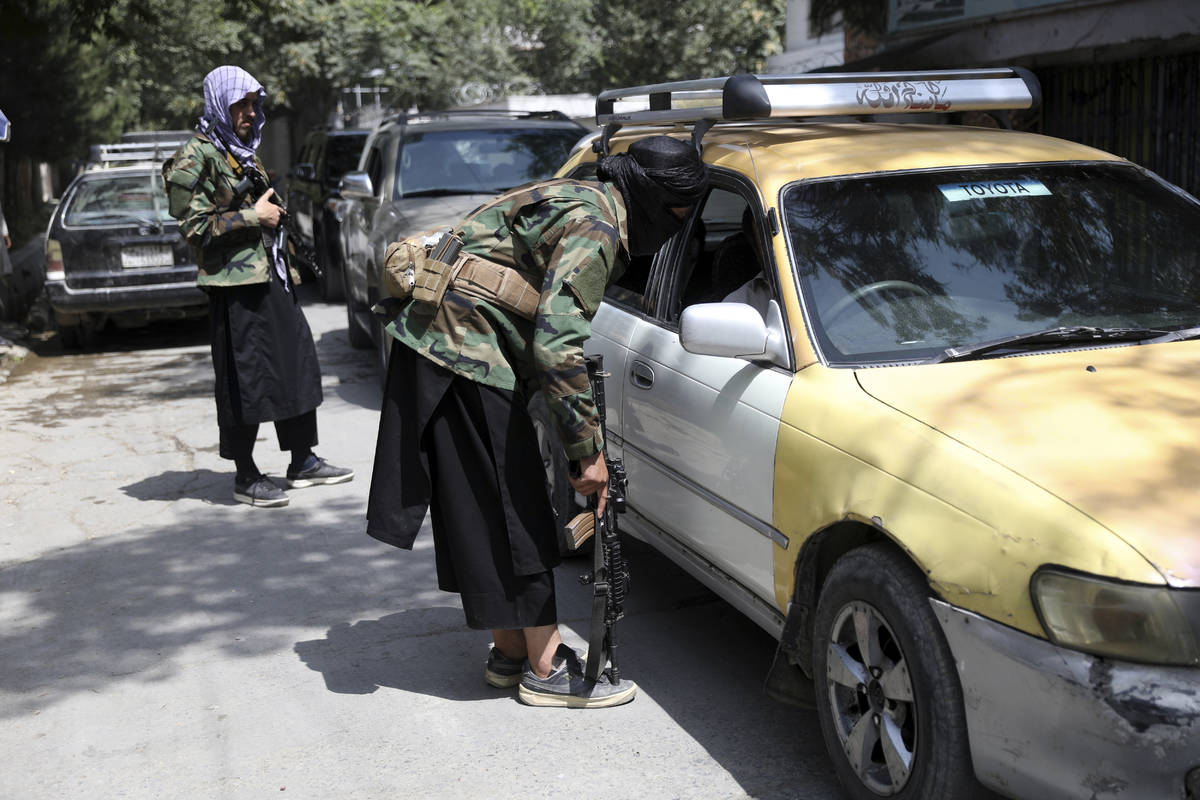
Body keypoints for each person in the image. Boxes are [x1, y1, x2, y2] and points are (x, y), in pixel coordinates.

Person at [366, 135, 709, 707]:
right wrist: (587, 454)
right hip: (462, 348)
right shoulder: (598, 226)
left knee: (482, 505)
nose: (679, 224)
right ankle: (547, 669)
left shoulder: (588, 196)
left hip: (438, 341)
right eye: (677, 211)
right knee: (516, 505)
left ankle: (510, 652)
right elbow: (557, 347)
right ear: (651, 198)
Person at [163, 65, 352, 508]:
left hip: (271, 274)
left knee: (295, 361)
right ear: (219, 104)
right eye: (240, 105)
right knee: (243, 378)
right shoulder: (195, 156)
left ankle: (302, 460)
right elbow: (192, 226)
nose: (249, 113)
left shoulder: (243, 153)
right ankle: (245, 474)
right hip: (234, 285)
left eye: (254, 104)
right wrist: (253, 217)